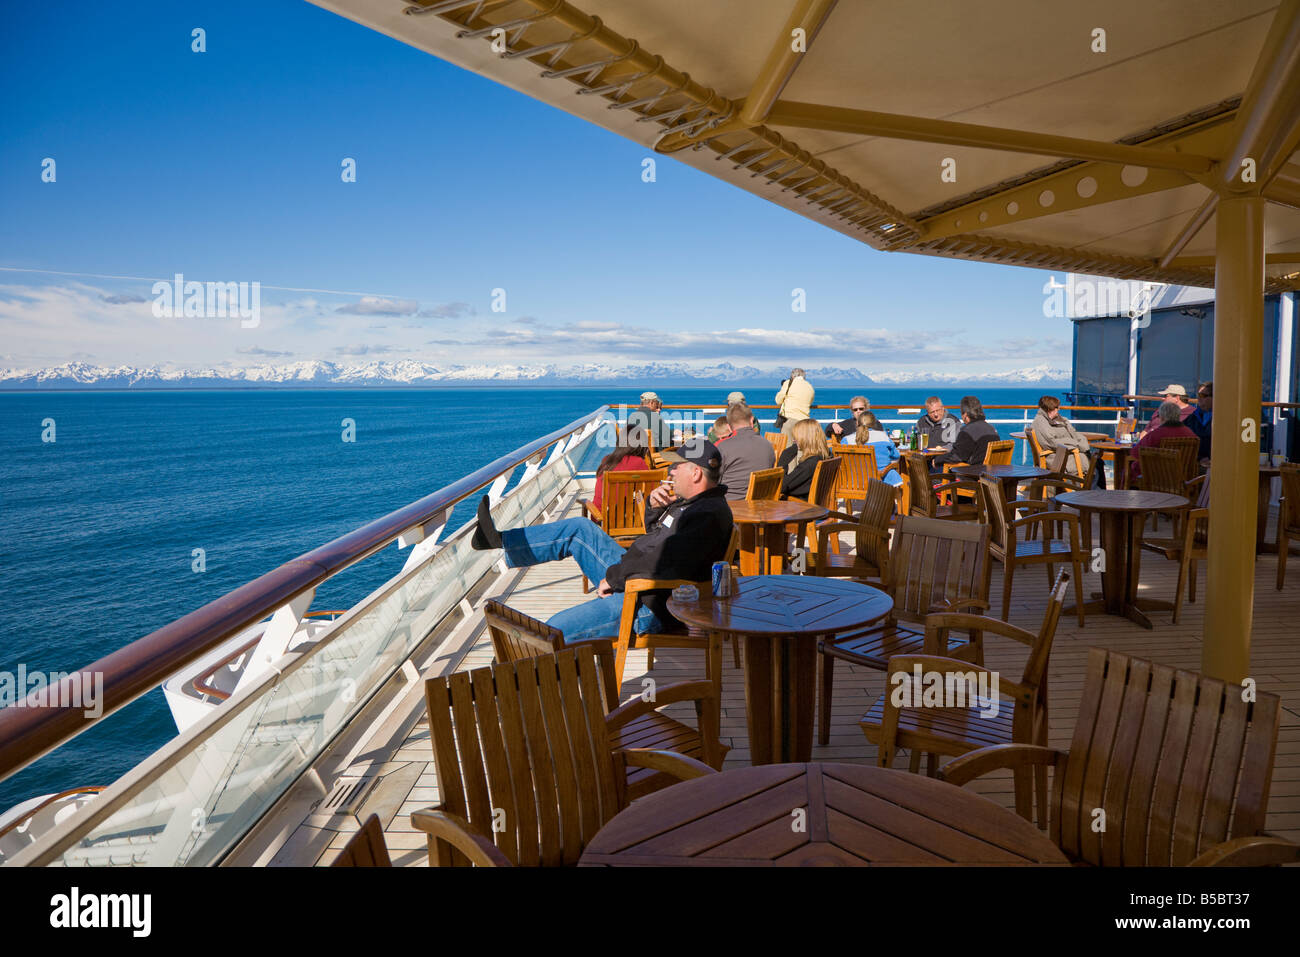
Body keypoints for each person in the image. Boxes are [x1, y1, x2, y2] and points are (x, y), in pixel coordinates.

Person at [471, 438, 733, 641]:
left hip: (646, 602)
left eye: (677, 466)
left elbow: (663, 563)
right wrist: (654, 508)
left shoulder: (705, 515)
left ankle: (509, 671)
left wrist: (614, 578)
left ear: (696, 474)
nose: (672, 471)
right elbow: (659, 543)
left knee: (554, 628)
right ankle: (501, 541)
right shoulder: (693, 504)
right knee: (579, 528)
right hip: (636, 575)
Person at [717, 402, 776, 500]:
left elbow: (712, 482)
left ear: (728, 427)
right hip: (761, 507)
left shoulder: (723, 447)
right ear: (752, 421)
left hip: (731, 507)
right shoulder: (768, 445)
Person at [1131, 400, 1197, 483]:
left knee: (1132, 467)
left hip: (1157, 480)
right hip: (1183, 480)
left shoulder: (1156, 435)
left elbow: (1135, 453)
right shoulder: (1190, 434)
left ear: (1162, 417)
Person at [1031, 395, 1091, 475]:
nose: (1059, 409)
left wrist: (1081, 441)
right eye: (1057, 407)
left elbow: (1072, 433)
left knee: (1096, 462)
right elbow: (1051, 442)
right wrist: (1076, 444)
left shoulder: (1053, 420)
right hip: (1056, 459)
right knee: (1094, 464)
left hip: (1062, 455)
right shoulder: (1041, 422)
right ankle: (1088, 487)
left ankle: (1091, 486)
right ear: (1050, 409)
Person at [934, 396, 998, 467]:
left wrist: (937, 460)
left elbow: (957, 456)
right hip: (992, 474)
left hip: (974, 474)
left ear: (965, 415)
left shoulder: (968, 431)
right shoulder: (992, 429)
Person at [590, 439, 650, 513]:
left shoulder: (607, 459)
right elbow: (651, 489)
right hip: (624, 520)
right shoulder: (638, 462)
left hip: (599, 517)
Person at [776, 418, 831, 499]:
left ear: (806, 439)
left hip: (801, 507)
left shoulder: (809, 464)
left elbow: (781, 486)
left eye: (796, 437)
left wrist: (784, 459)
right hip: (817, 505)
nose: (794, 440)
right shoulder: (826, 456)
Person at [851, 411, 903, 487]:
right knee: (891, 470)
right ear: (874, 424)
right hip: (880, 482)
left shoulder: (847, 440)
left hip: (855, 482)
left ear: (857, 423)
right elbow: (896, 455)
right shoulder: (883, 436)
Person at [775, 368, 815, 437]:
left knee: (788, 446)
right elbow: (809, 403)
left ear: (793, 376)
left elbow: (778, 400)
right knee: (802, 446)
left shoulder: (788, 383)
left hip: (790, 421)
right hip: (805, 422)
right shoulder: (810, 387)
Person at [1185, 382, 1212, 463]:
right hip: (1193, 461)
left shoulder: (1223, 418)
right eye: (1198, 395)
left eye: (1203, 396)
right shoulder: (1193, 417)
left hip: (1212, 464)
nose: (1199, 399)